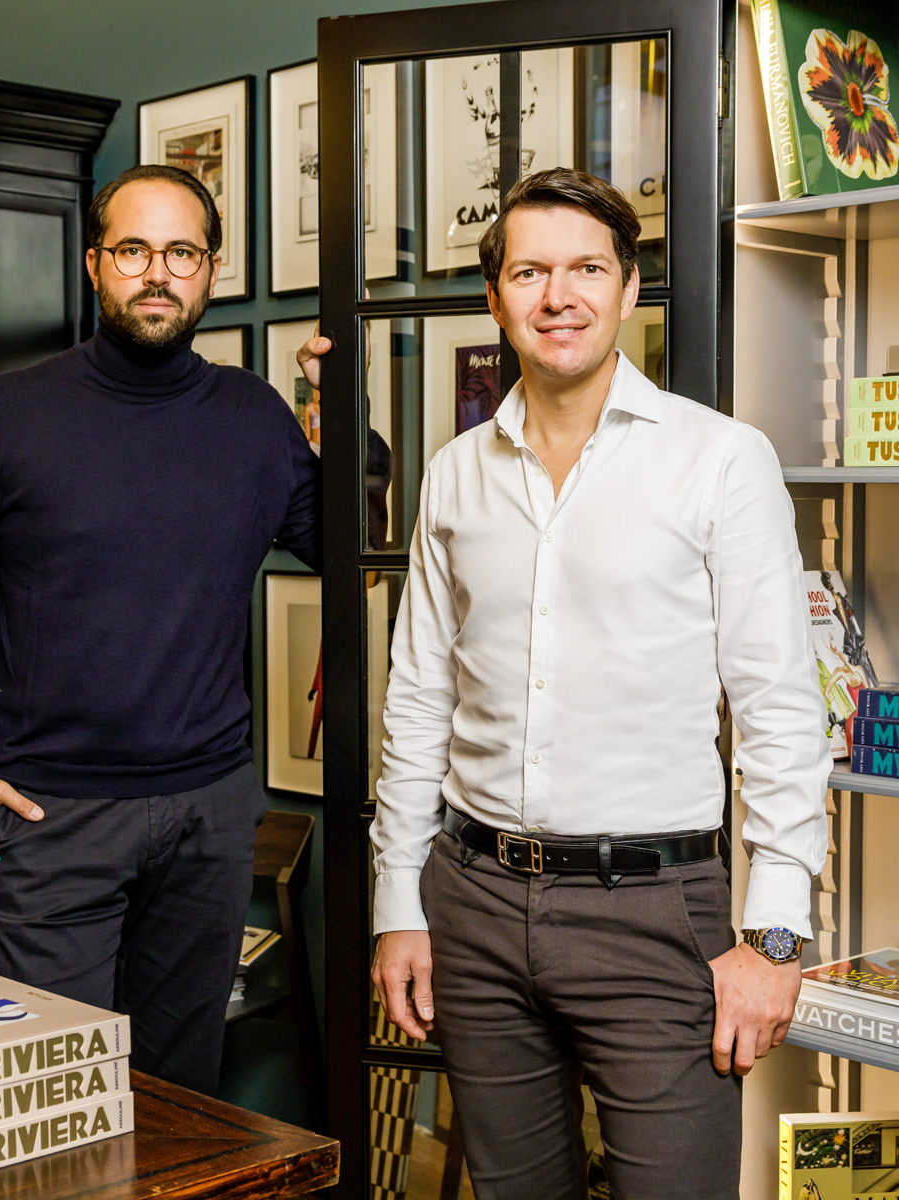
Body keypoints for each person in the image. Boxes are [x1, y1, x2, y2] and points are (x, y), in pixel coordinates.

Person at [364, 168, 830, 1199]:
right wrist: (400, 903)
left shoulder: (721, 460)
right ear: (496, 297)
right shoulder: (455, 473)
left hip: (655, 915)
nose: (557, 296)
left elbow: (781, 710)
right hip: (474, 905)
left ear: (627, 289)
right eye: (529, 272)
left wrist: (775, 939)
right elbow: (418, 702)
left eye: (585, 269)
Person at [0, 164, 326, 1096]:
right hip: (46, 823)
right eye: (133, 250)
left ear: (211, 270)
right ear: (95, 265)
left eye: (181, 252)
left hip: (207, 817)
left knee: (183, 1100)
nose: (157, 272)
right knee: (51, 1104)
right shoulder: (7, 415)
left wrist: (345, 427)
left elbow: (341, 541)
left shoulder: (254, 417)